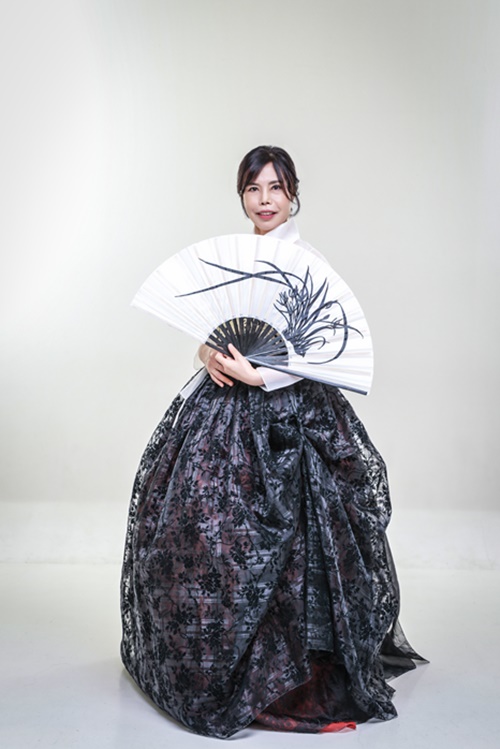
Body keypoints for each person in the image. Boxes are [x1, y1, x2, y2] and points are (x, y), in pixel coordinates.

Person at [120, 145, 426, 739]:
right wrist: (209, 355)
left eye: (276, 189)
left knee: (300, 539)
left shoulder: (306, 262)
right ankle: (212, 665)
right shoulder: (234, 260)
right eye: (254, 189)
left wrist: (263, 376)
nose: (265, 200)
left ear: (293, 195)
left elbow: (320, 349)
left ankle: (295, 674)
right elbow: (212, 333)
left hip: (291, 415)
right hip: (223, 412)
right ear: (242, 196)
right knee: (201, 524)